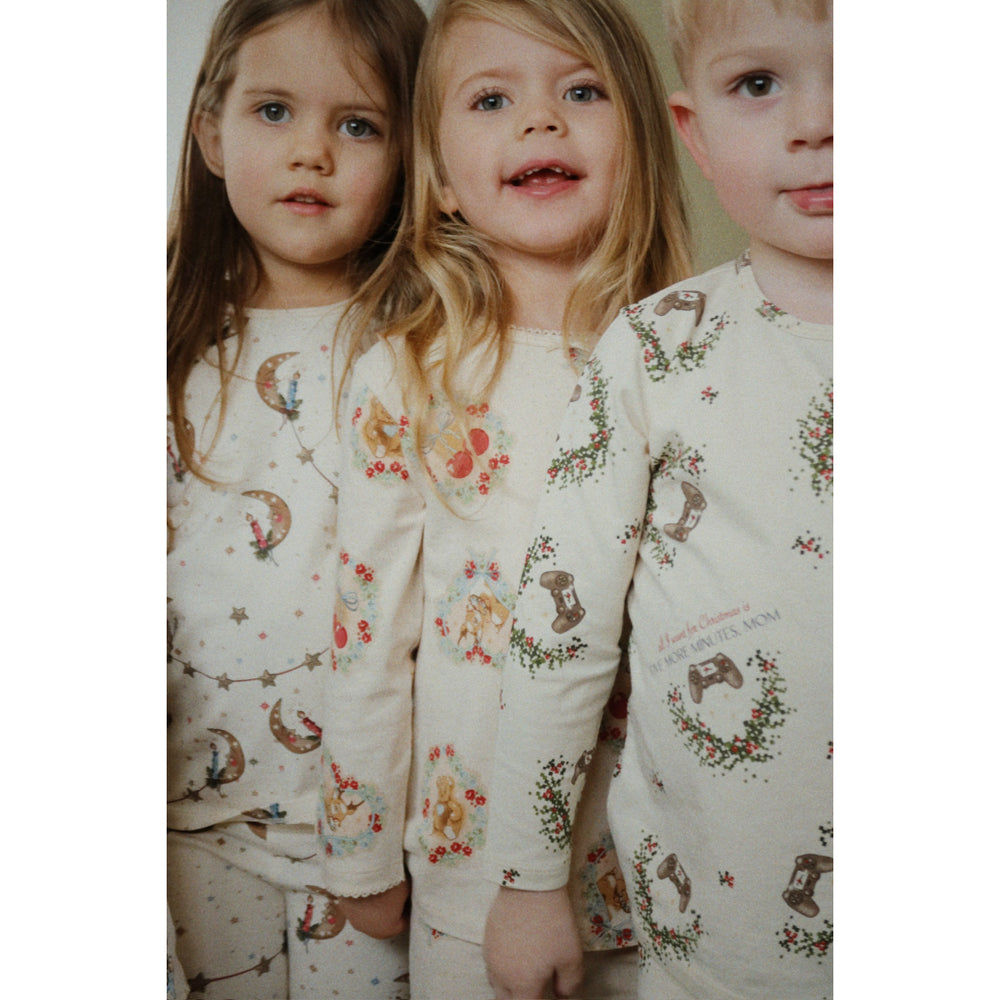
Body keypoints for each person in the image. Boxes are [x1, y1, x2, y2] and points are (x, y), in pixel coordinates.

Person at [316, 1, 692, 997]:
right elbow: (369, 632)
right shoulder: (410, 374)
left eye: (581, 90)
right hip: (472, 872)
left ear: (644, 137)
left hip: (669, 877)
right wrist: (359, 849)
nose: (539, 119)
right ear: (440, 176)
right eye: (491, 99)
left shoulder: (693, 361)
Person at [483, 0, 833, 997]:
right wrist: (526, 879)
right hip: (714, 943)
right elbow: (559, 633)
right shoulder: (653, 352)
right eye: (758, 84)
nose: (817, 124)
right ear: (696, 133)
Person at [166, 2, 426, 997]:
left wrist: (372, 841)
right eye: (273, 111)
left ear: (408, 156)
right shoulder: (164, 340)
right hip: (189, 820)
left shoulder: (425, 341)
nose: (311, 151)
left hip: (366, 838)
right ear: (211, 134)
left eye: (356, 124)